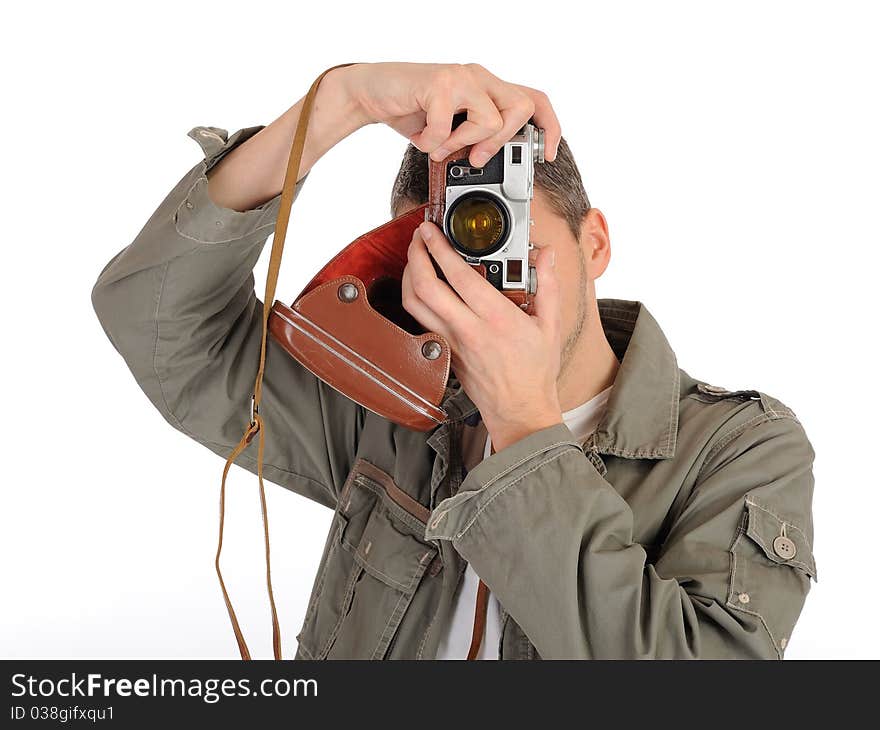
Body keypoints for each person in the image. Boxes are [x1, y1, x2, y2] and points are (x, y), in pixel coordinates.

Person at [91, 62, 817, 659]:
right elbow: (162, 327)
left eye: (512, 245)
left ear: (593, 245)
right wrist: (338, 102)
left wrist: (526, 424)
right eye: (453, 259)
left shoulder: (740, 449)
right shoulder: (398, 407)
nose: (488, 287)